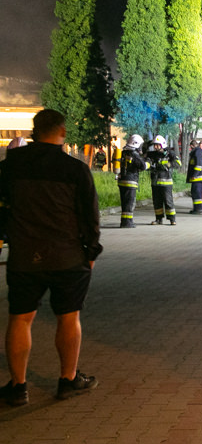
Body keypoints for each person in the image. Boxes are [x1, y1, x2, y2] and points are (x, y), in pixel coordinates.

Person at [0, 109, 102, 406]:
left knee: (20, 318)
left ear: (34, 131)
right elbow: (89, 215)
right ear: (62, 131)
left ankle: (18, 387)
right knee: (68, 318)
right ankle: (67, 381)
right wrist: (91, 250)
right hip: (67, 256)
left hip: (23, 255)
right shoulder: (74, 169)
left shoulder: (10, 167)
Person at [146, 135, 181, 225]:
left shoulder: (170, 153)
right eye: (155, 145)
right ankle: (158, 219)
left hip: (166, 181)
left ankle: (172, 219)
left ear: (162, 145)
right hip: (155, 182)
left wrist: (168, 164)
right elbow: (145, 159)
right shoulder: (152, 154)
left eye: (158, 145)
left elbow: (178, 163)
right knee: (157, 201)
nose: (156, 147)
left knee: (168, 201)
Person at [117, 134, 150, 228]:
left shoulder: (123, 152)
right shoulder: (134, 154)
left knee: (124, 202)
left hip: (121, 181)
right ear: (136, 144)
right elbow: (143, 166)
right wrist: (148, 162)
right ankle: (127, 222)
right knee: (130, 203)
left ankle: (124, 221)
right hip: (130, 181)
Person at [187, 140, 202, 214]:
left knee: (196, 193)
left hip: (198, 177)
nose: (190, 149)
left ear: (192, 146)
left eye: (190, 147)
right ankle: (197, 208)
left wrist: (195, 175)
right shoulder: (199, 151)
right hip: (200, 177)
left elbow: (199, 165)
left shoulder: (197, 152)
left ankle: (198, 208)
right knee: (197, 193)